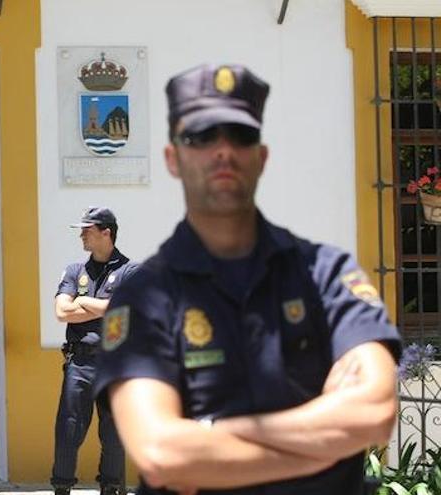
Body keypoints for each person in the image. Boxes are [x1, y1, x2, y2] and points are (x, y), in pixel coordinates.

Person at [93, 64, 402, 495]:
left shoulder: (327, 274)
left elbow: (374, 413)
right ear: (173, 158)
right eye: (201, 137)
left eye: (240, 135)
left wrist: (210, 433)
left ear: (261, 156)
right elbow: (163, 455)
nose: (223, 150)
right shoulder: (142, 296)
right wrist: (326, 440)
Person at [51, 207, 137, 495]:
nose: (81, 235)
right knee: (68, 429)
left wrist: (84, 302)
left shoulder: (131, 270)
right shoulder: (75, 270)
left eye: (87, 230)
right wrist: (100, 306)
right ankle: (61, 487)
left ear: (106, 233)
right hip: (81, 362)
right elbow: (62, 311)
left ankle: (111, 487)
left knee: (113, 434)